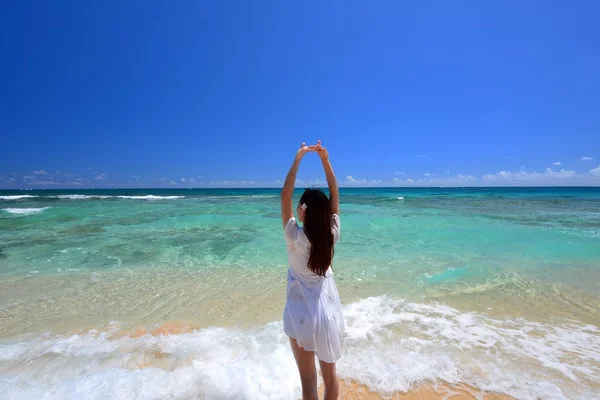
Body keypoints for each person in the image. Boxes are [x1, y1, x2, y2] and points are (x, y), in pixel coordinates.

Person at [280, 140, 344, 400]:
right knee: (331, 380)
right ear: (326, 213)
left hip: (301, 316)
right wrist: (325, 160)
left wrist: (298, 159)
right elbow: (335, 194)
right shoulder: (331, 235)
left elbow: (285, 194)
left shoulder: (294, 237)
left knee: (308, 383)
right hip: (327, 314)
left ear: (302, 211)